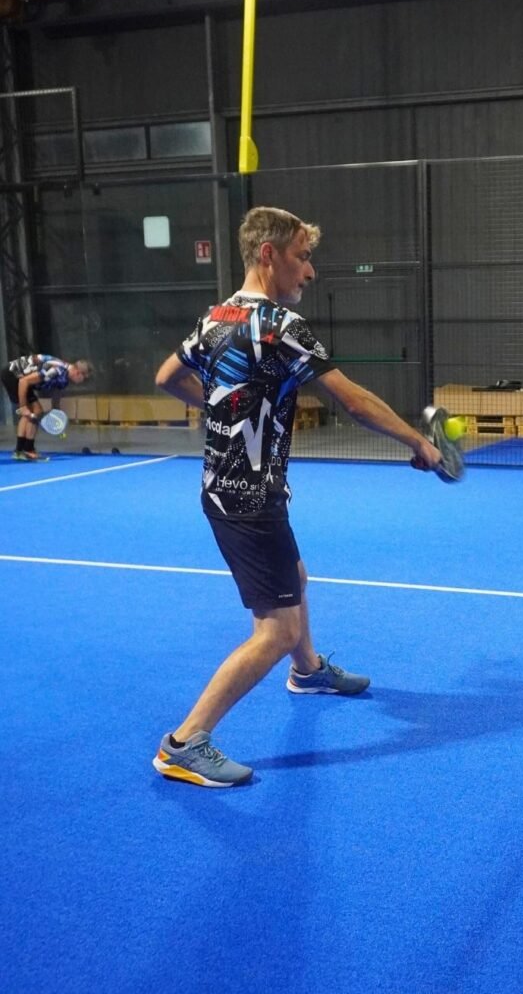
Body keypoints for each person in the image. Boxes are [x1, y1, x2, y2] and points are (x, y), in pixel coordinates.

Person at [152, 205, 442, 788]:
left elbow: (166, 377)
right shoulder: (279, 325)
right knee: (276, 630)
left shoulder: (216, 318)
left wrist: (225, 408)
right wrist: (417, 441)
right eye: (302, 258)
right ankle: (184, 743)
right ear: (269, 255)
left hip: (229, 489)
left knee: (296, 576)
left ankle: (307, 671)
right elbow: (353, 401)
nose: (309, 272)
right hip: (248, 501)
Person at [2, 353, 93, 461]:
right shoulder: (55, 370)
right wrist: (23, 407)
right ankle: (25, 450)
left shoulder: (64, 375)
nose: (83, 381)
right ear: (78, 373)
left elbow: (56, 392)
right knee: (33, 411)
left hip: (20, 377)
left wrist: (56, 410)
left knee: (35, 410)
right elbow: (23, 382)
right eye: (84, 378)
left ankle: (22, 451)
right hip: (12, 375)